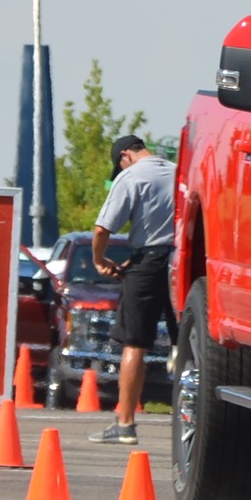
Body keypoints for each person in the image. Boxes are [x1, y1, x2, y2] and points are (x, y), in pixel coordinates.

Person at [88, 134, 176, 444]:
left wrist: (100, 261)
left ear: (125, 155)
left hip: (148, 263)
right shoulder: (180, 172)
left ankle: (125, 423)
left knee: (135, 342)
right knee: (187, 344)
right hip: (183, 261)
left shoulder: (132, 177)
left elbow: (102, 229)